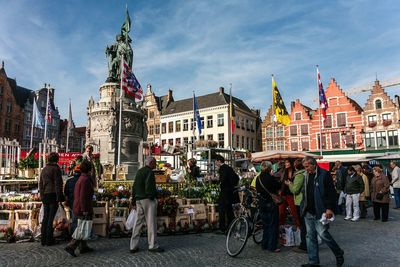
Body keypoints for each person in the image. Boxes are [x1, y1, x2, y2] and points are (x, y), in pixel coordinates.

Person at [300, 156, 344, 267]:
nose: (306, 169)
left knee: (324, 235)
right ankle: (313, 262)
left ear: (313, 164)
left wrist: (329, 208)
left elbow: (331, 193)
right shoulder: (305, 175)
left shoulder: (324, 174)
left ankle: (338, 253)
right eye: (304, 167)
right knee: (310, 237)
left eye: (307, 166)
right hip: (308, 211)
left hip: (320, 211)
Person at [130, 157, 164, 253]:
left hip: (138, 199)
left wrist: (133, 200)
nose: (156, 165)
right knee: (151, 222)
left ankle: (133, 246)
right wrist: (153, 197)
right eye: (155, 163)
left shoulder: (140, 171)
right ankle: (152, 245)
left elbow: (134, 186)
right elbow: (149, 186)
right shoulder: (149, 172)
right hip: (147, 199)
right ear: (151, 163)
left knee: (138, 223)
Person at [65, 160, 95, 257]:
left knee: (82, 227)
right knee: (82, 228)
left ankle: (83, 247)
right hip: (83, 208)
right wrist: (85, 210)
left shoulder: (82, 178)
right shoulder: (85, 180)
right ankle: (71, 246)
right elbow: (83, 197)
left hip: (78, 206)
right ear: (89, 169)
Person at [39, 152, 64, 246]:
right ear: (56, 159)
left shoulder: (44, 169)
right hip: (53, 194)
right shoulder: (56, 169)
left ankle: (43, 240)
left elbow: (41, 184)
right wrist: (59, 197)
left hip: (45, 195)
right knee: (50, 218)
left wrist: (42, 196)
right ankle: (49, 240)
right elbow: (58, 184)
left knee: (46, 218)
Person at [256, 161, 281, 253]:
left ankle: (264, 244)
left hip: (261, 203)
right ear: (270, 168)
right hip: (270, 203)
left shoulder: (258, 178)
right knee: (273, 225)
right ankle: (272, 246)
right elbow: (278, 186)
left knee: (265, 225)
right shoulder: (270, 178)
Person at [286, 158, 307, 253]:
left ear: (295, 166)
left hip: (300, 201)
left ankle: (304, 245)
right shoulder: (306, 173)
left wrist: (289, 184)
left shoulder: (299, 175)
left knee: (303, 224)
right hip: (305, 200)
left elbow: (295, 190)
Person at [215, 155, 240, 233]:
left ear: (219, 161)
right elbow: (236, 178)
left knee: (221, 209)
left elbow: (222, 179)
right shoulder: (229, 168)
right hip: (231, 193)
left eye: (216, 161)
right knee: (229, 210)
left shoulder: (222, 168)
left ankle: (222, 228)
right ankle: (231, 226)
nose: (215, 163)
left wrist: (217, 181)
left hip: (225, 193)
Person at [279, 159, 301, 228]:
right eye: (285, 162)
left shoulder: (295, 172)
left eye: (287, 162)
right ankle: (281, 228)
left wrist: (290, 184)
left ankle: (299, 227)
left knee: (294, 213)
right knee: (281, 213)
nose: (286, 164)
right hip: (283, 194)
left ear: (291, 163)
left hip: (292, 195)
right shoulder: (283, 171)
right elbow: (280, 181)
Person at [64, 165, 81, 235]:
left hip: (72, 202)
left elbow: (65, 193)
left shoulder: (69, 181)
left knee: (73, 219)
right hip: (80, 202)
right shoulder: (83, 180)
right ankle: (80, 234)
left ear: (74, 171)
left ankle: (74, 234)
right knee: (80, 219)